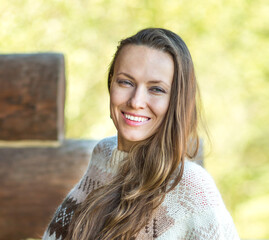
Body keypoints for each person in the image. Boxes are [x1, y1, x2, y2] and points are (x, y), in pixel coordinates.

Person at [43, 28, 240, 240]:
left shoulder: (190, 188)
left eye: (156, 89)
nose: (136, 101)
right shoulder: (103, 157)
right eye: (126, 82)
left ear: (176, 101)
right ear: (111, 84)